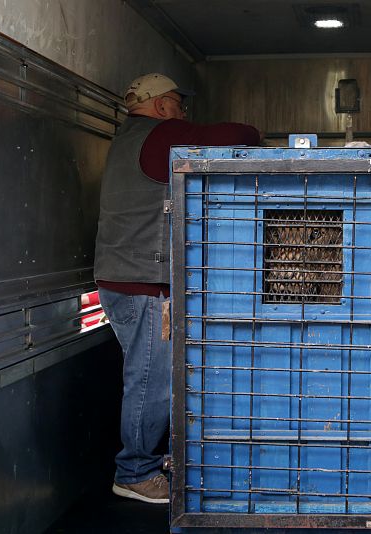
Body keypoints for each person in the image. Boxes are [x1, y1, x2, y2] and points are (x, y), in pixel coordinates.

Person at [93, 73, 259, 504]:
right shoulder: (159, 134)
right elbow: (232, 135)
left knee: (148, 375)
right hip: (142, 282)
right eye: (180, 106)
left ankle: (151, 463)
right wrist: (256, 135)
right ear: (163, 105)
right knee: (150, 380)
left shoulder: (126, 139)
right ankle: (135, 472)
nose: (184, 115)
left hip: (124, 276)